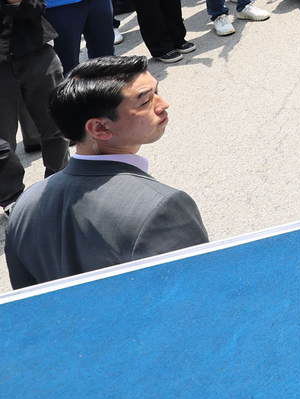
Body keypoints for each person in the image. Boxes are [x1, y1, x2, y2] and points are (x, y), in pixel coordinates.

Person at [4, 56, 208, 289]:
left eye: (157, 92)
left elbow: (26, 301)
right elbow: (198, 295)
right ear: (99, 128)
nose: (163, 104)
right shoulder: (162, 207)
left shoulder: (25, 205)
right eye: (145, 101)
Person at [0, 0, 70, 209]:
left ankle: (60, 183)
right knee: (2, 140)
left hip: (36, 56)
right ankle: (11, 198)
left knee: (55, 125)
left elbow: (35, 8)